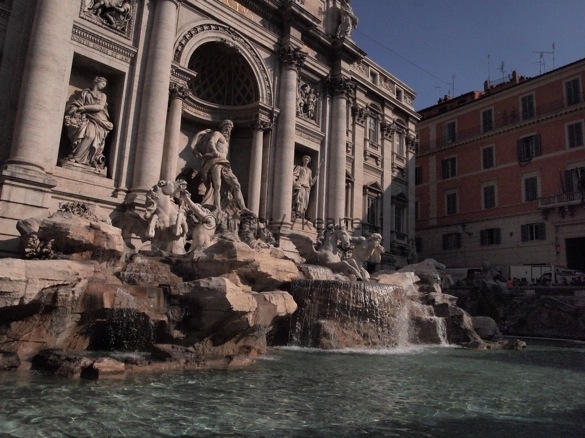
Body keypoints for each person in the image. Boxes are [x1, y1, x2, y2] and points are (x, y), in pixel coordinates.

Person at [190, 120, 250, 214]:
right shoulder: (217, 133)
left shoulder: (227, 141)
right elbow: (211, 141)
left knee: (236, 184)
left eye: (230, 127)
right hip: (215, 161)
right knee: (217, 185)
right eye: (226, 126)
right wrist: (214, 151)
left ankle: (243, 208)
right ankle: (217, 208)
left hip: (225, 163)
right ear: (222, 127)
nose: (228, 129)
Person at [63, 76, 114, 170]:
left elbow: (100, 107)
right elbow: (79, 102)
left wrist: (84, 108)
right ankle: (78, 158)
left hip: (99, 119)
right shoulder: (85, 92)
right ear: (96, 82)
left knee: (90, 136)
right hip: (85, 117)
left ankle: (78, 158)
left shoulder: (103, 95)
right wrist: (74, 109)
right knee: (83, 134)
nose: (103, 86)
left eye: (105, 85)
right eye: (102, 83)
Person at [292, 155, 319, 221]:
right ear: (302, 160)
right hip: (300, 185)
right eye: (305, 158)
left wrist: (316, 176)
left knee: (305, 202)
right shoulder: (299, 167)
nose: (306, 160)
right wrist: (296, 183)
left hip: (307, 187)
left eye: (308, 159)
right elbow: (294, 175)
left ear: (309, 161)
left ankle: (301, 214)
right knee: (299, 200)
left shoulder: (310, 171)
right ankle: (296, 214)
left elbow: (311, 182)